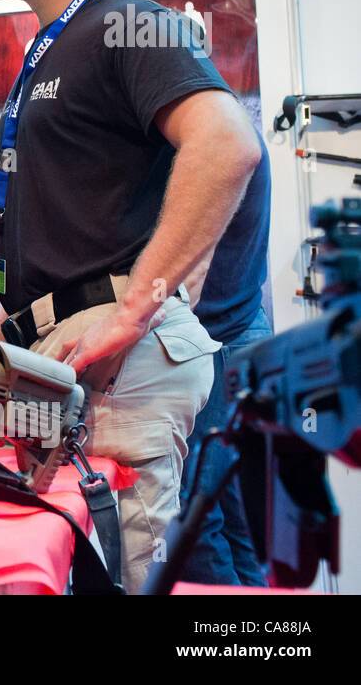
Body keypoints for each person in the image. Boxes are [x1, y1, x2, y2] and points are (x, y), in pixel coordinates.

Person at [0, 0, 262, 594]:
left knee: (124, 577)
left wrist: (139, 305)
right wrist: (14, 308)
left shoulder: (127, 22)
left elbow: (227, 141)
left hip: (121, 361)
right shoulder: (50, 47)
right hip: (63, 354)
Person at [180, 131, 272, 586]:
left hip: (218, 342)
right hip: (242, 332)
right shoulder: (232, 128)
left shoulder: (214, 138)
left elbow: (192, 274)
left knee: (195, 505)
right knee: (230, 501)